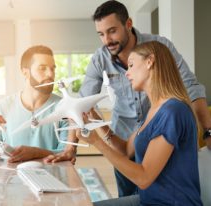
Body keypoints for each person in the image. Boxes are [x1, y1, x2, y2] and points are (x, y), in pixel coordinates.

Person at [79, 0, 211, 197]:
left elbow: (144, 177)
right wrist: (93, 130)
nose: (106, 39)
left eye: (131, 66)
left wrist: (208, 131)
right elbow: (124, 150)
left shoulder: (171, 111)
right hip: (131, 144)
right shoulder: (154, 111)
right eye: (101, 34)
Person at [0, 45, 76, 163]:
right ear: (25, 72)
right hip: (12, 179)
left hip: (52, 179)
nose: (50, 74)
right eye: (42, 68)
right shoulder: (2, 107)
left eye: (53, 68)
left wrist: (35, 153)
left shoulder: (65, 108)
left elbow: (67, 154)